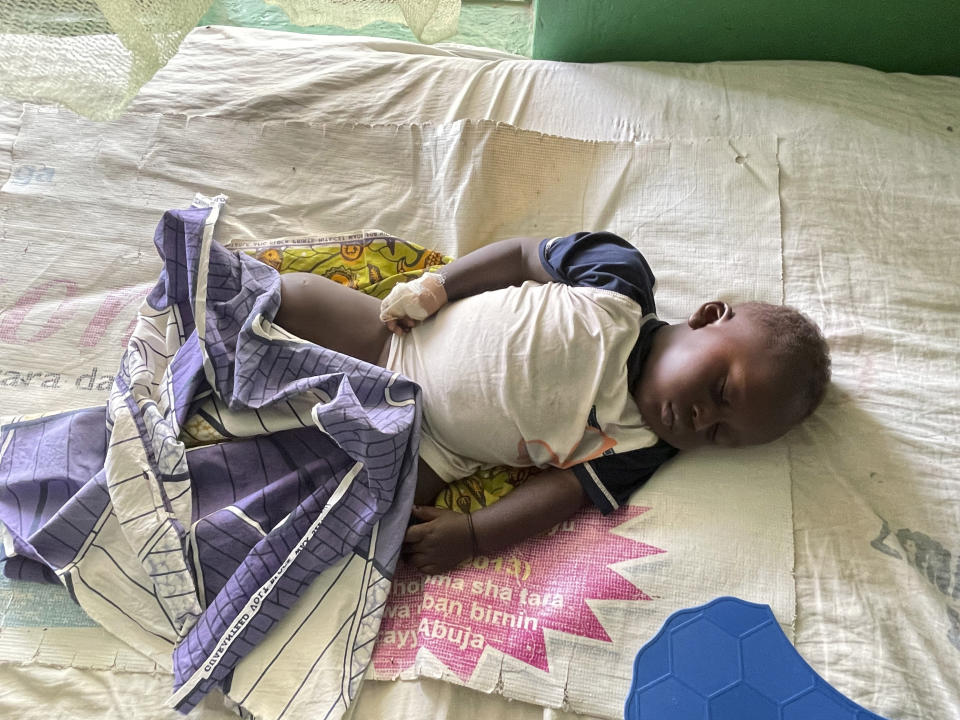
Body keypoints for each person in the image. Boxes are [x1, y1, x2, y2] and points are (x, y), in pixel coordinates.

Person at [274, 232, 830, 574]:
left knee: (360, 532)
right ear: (709, 318)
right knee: (291, 297)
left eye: (720, 434)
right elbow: (519, 255)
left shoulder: (640, 445)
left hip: (426, 448)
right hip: (395, 340)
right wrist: (436, 287)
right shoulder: (618, 282)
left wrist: (473, 535)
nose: (702, 418)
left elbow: (564, 492)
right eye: (720, 393)